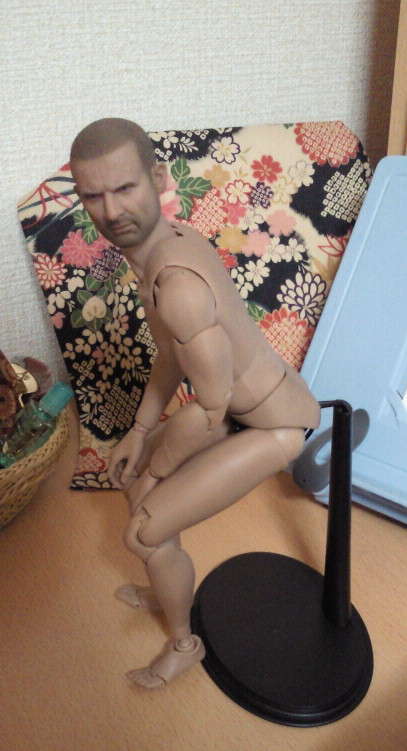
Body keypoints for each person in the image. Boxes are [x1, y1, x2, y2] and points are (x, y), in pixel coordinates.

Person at [70, 118, 321, 689]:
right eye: (93, 196)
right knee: (135, 488)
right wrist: (139, 434)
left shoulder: (177, 286)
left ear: (158, 177)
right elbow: (172, 355)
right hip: (233, 407)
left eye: (125, 188)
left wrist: (158, 472)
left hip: (271, 424)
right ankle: (169, 588)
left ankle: (185, 643)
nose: (111, 211)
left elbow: (209, 409)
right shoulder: (165, 248)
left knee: (143, 530)